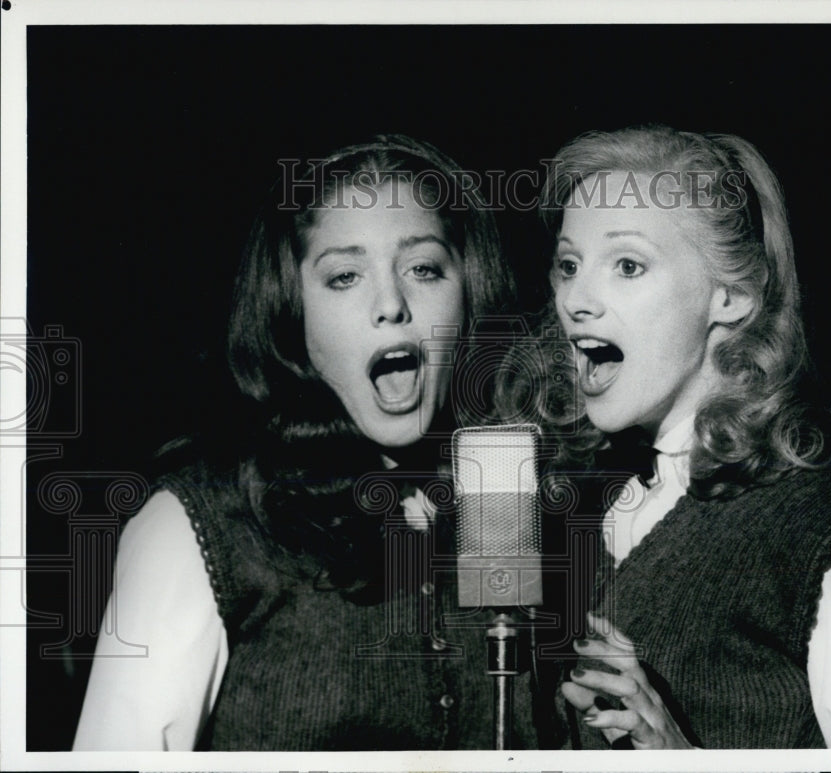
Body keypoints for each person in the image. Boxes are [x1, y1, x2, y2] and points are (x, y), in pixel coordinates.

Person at [72, 135, 554, 750]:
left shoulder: (505, 513)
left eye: (424, 268)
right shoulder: (196, 524)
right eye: (344, 276)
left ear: (469, 293)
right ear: (292, 313)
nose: (391, 305)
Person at [501, 125, 831, 749]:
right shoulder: (630, 505)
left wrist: (680, 758)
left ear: (732, 296)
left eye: (627, 265)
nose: (576, 297)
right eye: (569, 265)